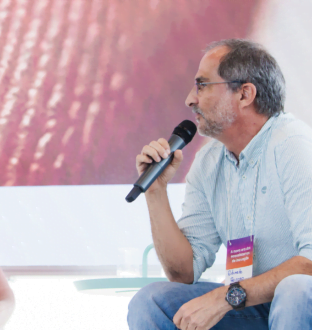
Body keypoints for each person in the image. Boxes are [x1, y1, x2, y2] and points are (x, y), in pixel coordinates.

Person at [127, 39, 312, 330]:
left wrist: (225, 297)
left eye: (202, 85)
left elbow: (310, 263)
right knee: (152, 301)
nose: (190, 99)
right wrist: (156, 191)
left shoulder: (295, 145)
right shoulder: (208, 162)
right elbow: (183, 272)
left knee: (294, 290)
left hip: (299, 303)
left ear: (245, 94)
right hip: (253, 306)